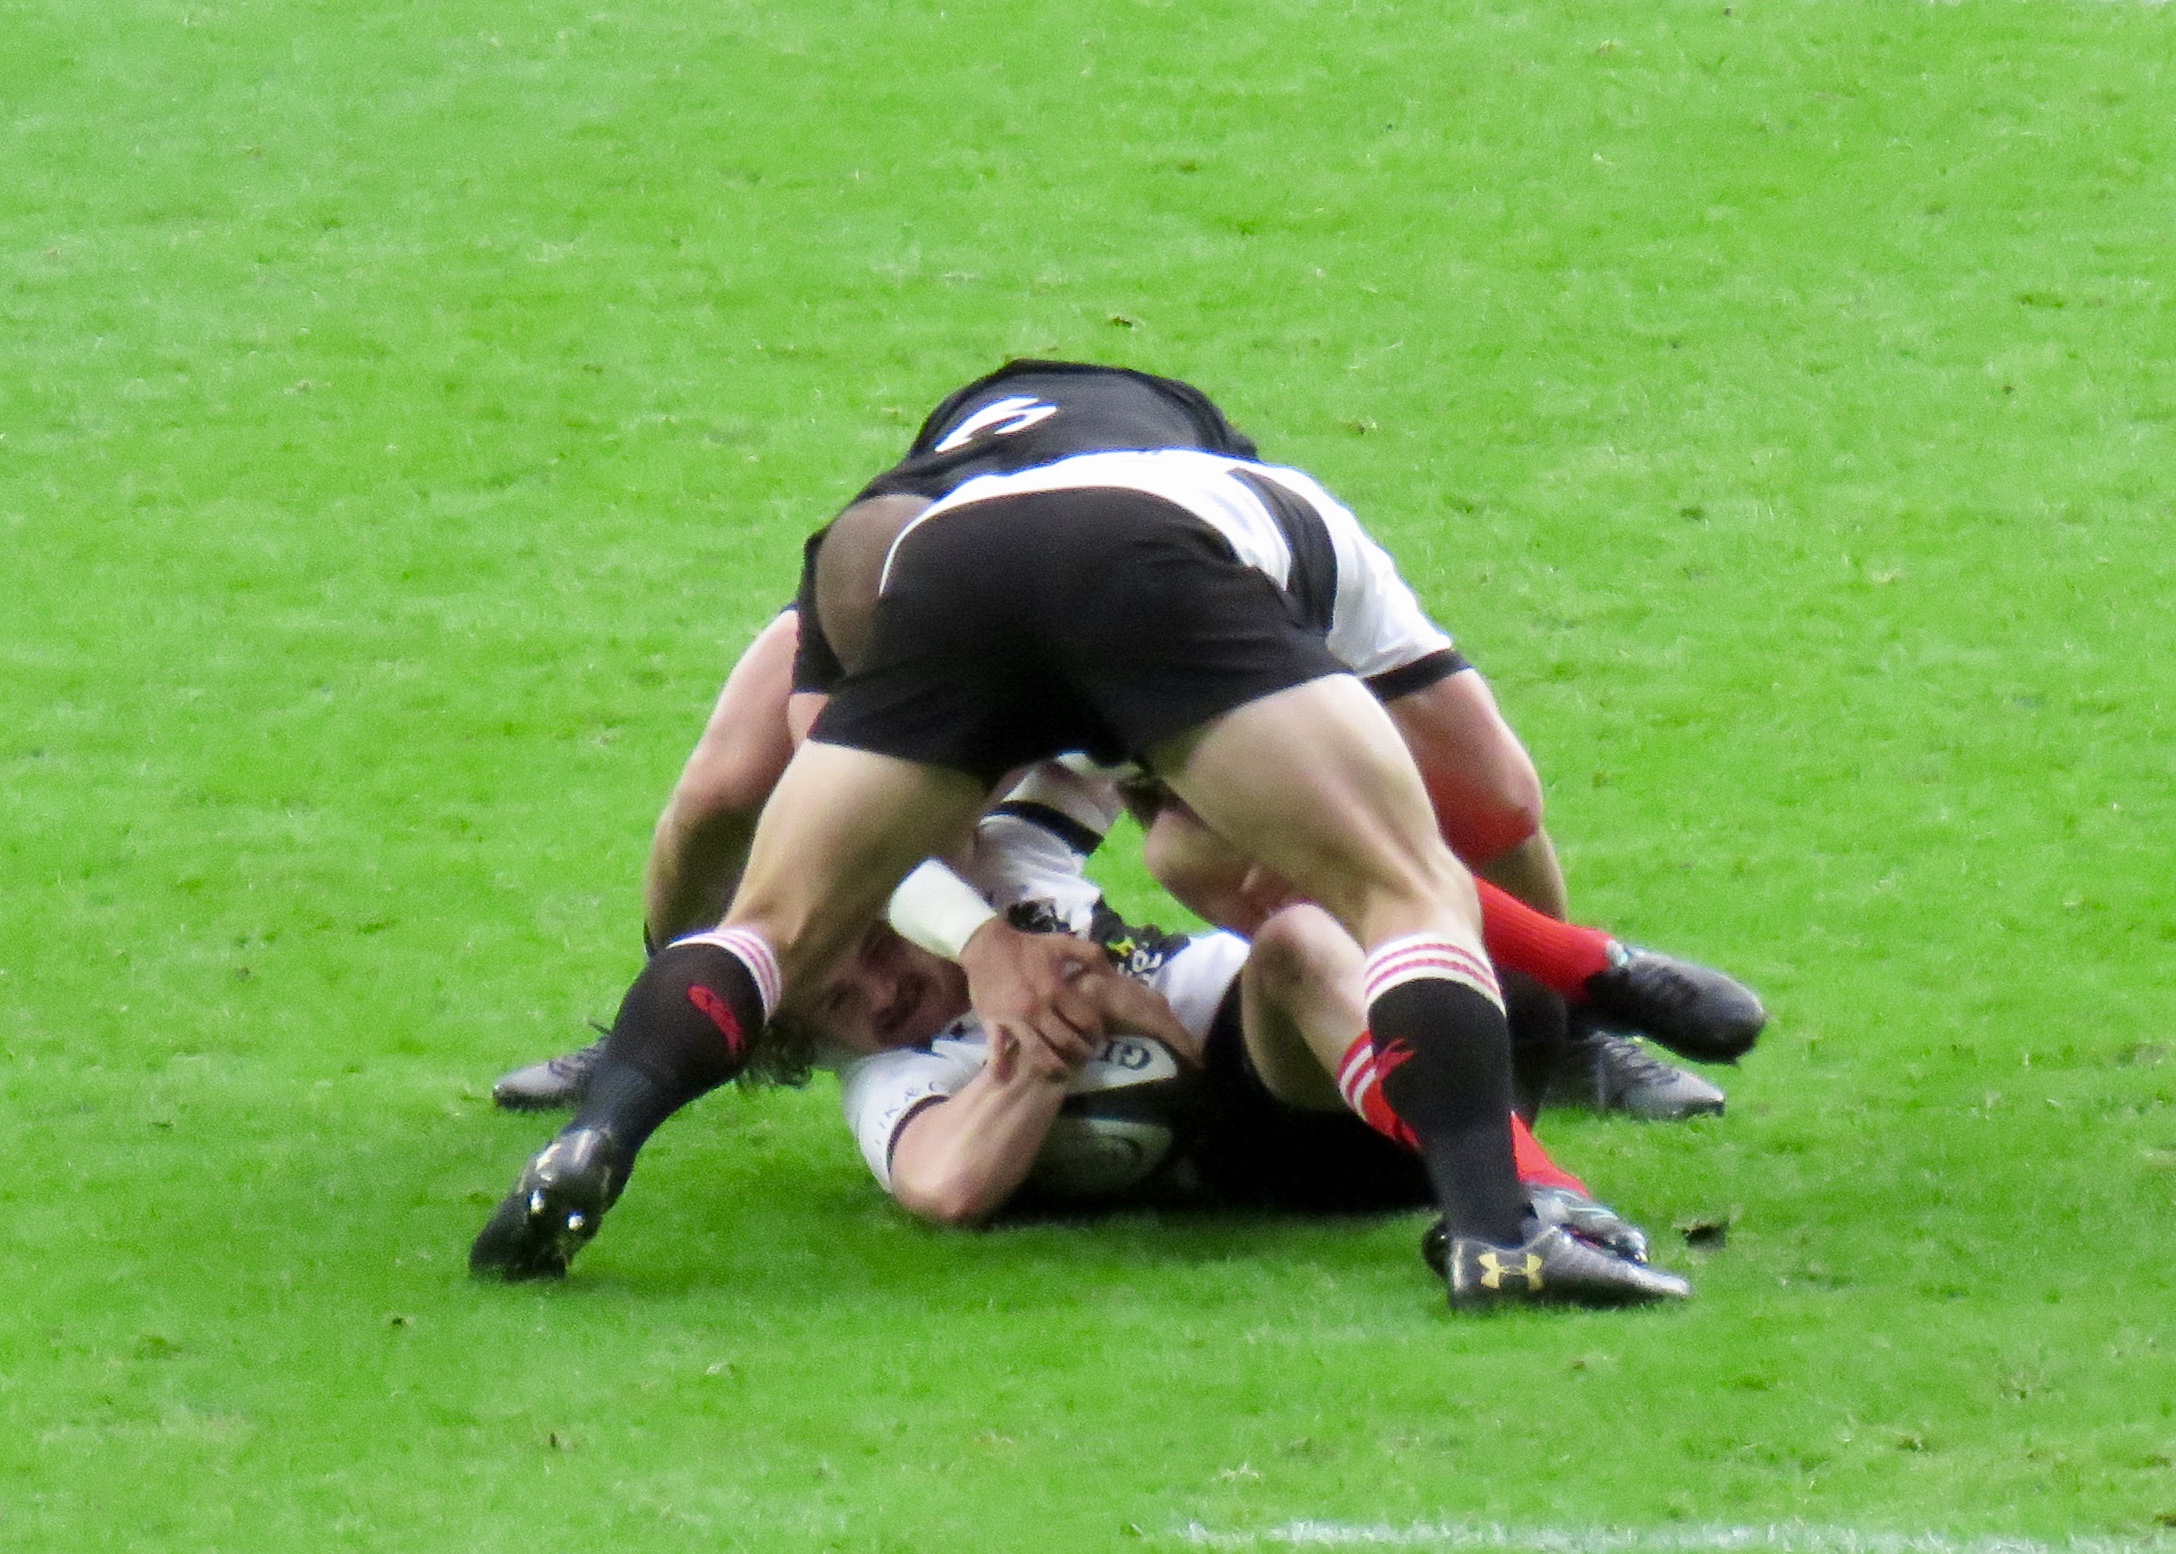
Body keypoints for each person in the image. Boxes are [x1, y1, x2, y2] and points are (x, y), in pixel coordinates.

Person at [470, 363, 1750, 1308]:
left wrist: (1015, 940)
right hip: (1156, 561)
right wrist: (1001, 949)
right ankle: (1505, 1224)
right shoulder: (1275, 512)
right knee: (1399, 882)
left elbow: (764, 809)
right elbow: (1469, 800)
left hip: (968, 581)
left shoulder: (900, 572)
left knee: (769, 924)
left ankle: (605, 1129)